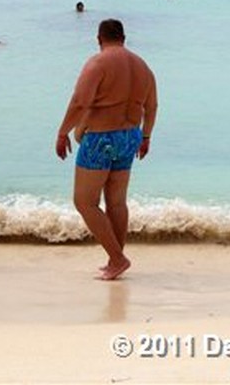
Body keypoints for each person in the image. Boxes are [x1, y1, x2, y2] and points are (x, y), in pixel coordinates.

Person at [55, 19, 157, 281]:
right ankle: (115, 259)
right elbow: (152, 105)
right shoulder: (143, 66)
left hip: (101, 138)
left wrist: (63, 131)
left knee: (84, 202)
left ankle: (118, 258)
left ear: (99, 39)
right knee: (116, 202)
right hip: (130, 136)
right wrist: (146, 136)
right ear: (124, 37)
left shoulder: (97, 63)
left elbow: (80, 102)